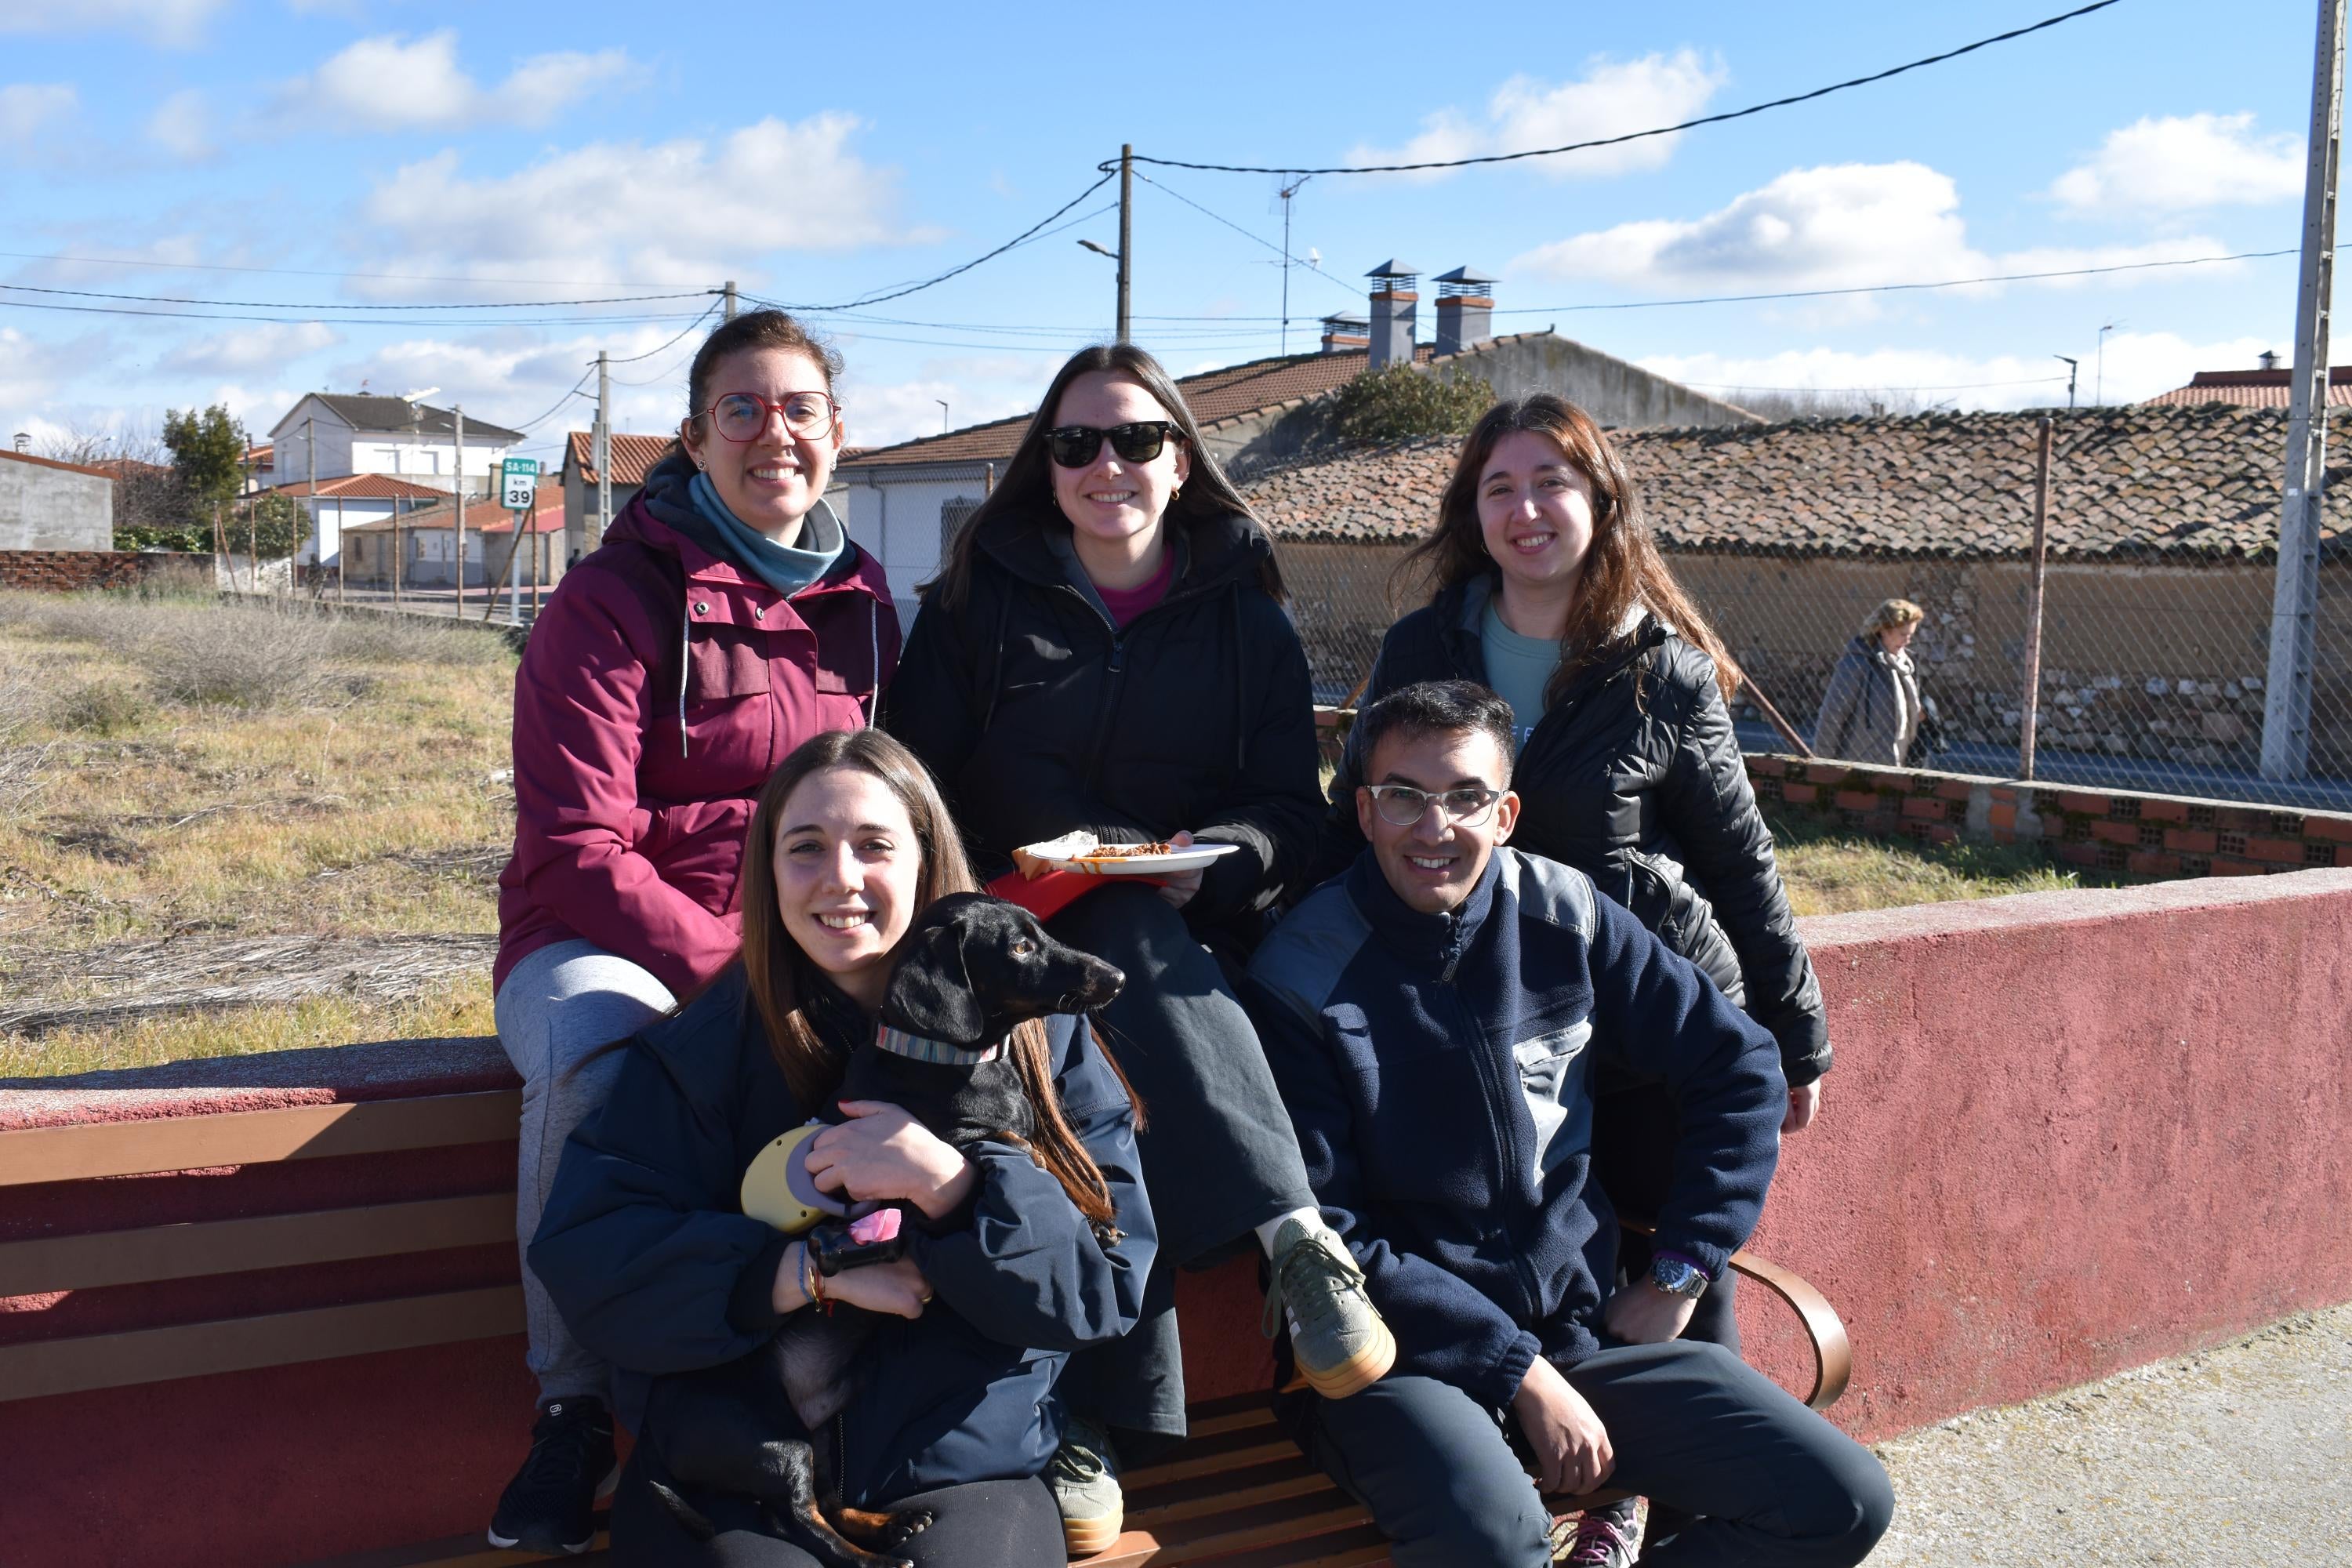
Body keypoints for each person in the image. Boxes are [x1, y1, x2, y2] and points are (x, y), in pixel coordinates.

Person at [885, 343, 1391, 1553]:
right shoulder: (968, 608)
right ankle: (1294, 1238)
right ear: (1045, 465)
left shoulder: (1250, 628)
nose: (1106, 464)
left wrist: (1211, 854)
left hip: (1182, 932)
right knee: (1094, 952)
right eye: (1076, 444)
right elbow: (913, 789)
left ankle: (1088, 1419)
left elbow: (1295, 815)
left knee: (1114, 1000)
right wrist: (997, 891)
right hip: (1001, 927)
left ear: (1181, 462)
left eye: (1135, 441)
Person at [1316, 394, 1832, 1553]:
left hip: (1628, 1008)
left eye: (1552, 481)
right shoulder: (1424, 646)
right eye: (1499, 487)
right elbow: (1358, 815)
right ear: (1472, 513)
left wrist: (1797, 1035)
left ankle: (1667, 1502)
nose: (1526, 509)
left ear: (1601, 504)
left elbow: (1741, 860)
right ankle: (1592, 1477)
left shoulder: (1662, 669)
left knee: (1675, 1277)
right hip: (1467, 992)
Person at [1247, 681, 1893, 1568]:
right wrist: (1515, 1370)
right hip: (1398, 1364)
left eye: (1466, 796)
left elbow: (1739, 1065)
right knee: (1496, 1537)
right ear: (1364, 809)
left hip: (1581, 1340)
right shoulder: (1299, 973)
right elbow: (1328, 1234)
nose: (1434, 826)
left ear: (1507, 811)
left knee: (1843, 1498)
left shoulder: (1567, 912)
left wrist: (1678, 1268)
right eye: (1404, 794)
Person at [528, 727, 1152, 1566]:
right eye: (806, 847)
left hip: (963, 1467)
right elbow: (590, 1255)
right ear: (767, 870)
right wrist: (793, 1273)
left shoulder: (1047, 1045)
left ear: (928, 863)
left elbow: (1106, 1288)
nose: (841, 878)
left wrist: (955, 1184)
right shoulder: (705, 1047)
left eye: (874, 846)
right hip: (733, 1470)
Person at [488, 310, 899, 1553]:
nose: (772, 433)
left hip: (797, 930)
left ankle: (860, 1398)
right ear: (695, 434)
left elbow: (890, 800)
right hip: (599, 939)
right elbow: (578, 845)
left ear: (838, 435)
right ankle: (572, 1411)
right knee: (597, 1055)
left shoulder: (865, 602)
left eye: (798, 410)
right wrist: (738, 973)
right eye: (742, 409)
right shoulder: (614, 597)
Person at [1813, 599, 1928, 767]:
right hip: (1858, 766)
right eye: (1903, 634)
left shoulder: (1906, 666)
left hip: (1898, 765)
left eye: (1911, 635)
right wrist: (1822, 763)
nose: (1908, 641)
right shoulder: (1856, 664)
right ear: (1885, 630)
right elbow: (1833, 714)